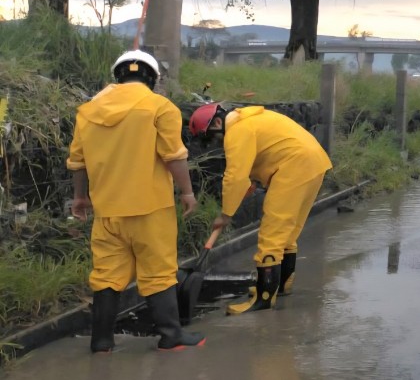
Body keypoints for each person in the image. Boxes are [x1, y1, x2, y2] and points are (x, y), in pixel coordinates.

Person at [67, 50, 205, 352]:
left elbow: (77, 163)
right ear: (153, 78)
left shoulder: (87, 112)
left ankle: (102, 341)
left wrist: (80, 198)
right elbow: (174, 156)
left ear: (118, 76)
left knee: (106, 274)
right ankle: (171, 335)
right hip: (150, 209)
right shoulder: (159, 107)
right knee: (158, 270)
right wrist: (187, 192)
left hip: (107, 212)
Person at [188, 102, 332, 314]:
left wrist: (226, 214)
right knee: (287, 232)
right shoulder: (250, 120)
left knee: (271, 234)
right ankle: (280, 286)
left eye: (213, 137)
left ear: (218, 122)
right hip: (313, 162)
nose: (217, 143)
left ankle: (264, 297)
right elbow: (264, 154)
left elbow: (234, 176)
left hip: (294, 166)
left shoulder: (237, 131)